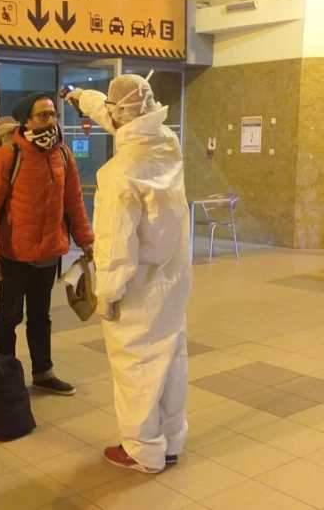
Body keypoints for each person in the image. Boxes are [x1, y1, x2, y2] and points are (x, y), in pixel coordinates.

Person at [63, 74, 192, 473]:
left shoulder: (118, 174)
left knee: (136, 367)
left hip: (137, 289)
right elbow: (124, 120)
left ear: (119, 114)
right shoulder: (166, 144)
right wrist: (82, 98)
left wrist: (107, 294)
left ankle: (142, 450)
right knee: (170, 359)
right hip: (173, 281)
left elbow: (116, 245)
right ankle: (170, 440)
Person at [0, 93, 94, 396]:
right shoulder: (8, 155)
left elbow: (74, 203)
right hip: (14, 254)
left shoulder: (62, 154)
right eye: (43, 115)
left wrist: (87, 241)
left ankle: (43, 373)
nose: (50, 120)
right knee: (8, 317)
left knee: (41, 317)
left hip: (49, 254)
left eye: (53, 114)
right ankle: (6, 376)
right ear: (26, 120)